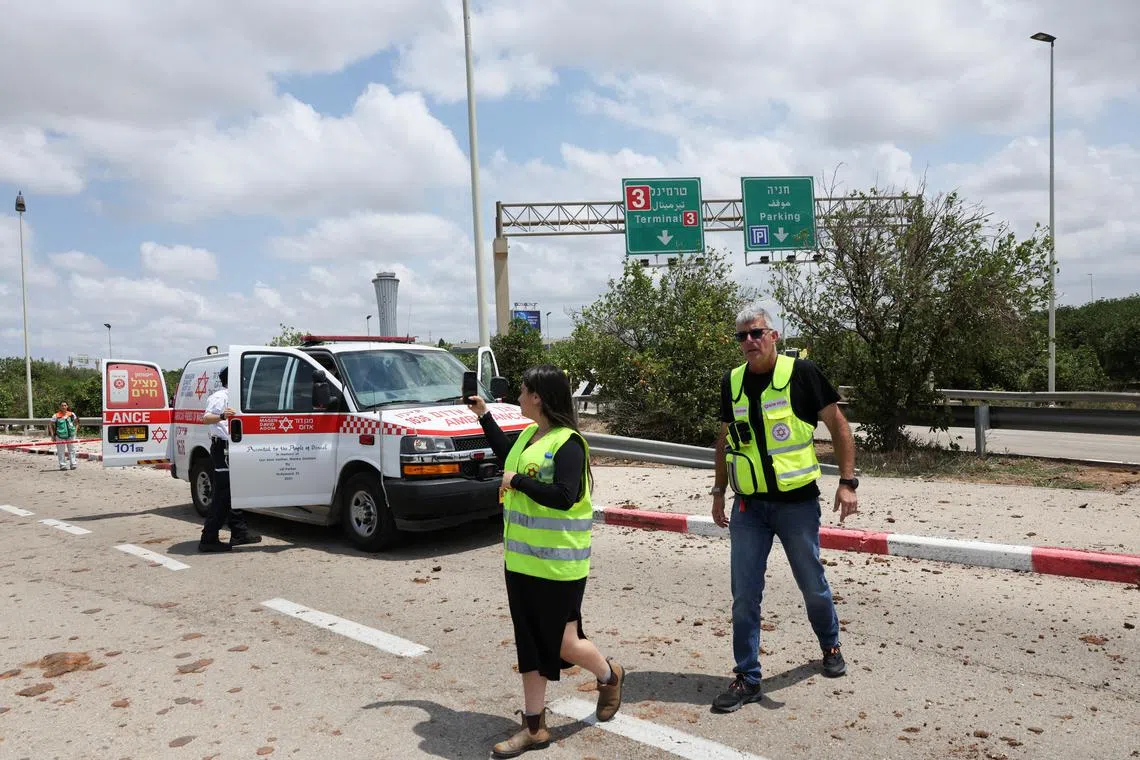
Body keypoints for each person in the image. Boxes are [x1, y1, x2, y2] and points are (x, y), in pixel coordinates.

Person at [468, 364, 624, 758]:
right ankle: (534, 727)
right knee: (530, 645)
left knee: (564, 644)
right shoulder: (527, 435)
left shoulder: (568, 442)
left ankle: (609, 674)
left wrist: (517, 482)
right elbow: (507, 457)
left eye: (523, 391)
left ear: (538, 397)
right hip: (520, 563)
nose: (518, 397)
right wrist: (483, 416)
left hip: (559, 566)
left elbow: (565, 495)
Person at [709, 304, 860, 713]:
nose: (749, 342)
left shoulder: (801, 374)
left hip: (796, 504)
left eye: (756, 333)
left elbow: (838, 425)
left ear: (774, 335)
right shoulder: (733, 382)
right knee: (744, 594)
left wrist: (847, 482)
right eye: (742, 336)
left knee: (811, 583)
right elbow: (725, 440)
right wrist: (719, 491)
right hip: (749, 507)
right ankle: (747, 677)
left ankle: (830, 645)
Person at [199, 366, 261, 553]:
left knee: (235, 492)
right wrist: (222, 415)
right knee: (224, 494)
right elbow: (206, 418)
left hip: (233, 447)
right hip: (223, 449)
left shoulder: (237, 397)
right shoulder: (220, 396)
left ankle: (239, 533)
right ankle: (208, 538)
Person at [51, 402, 79, 471]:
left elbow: (77, 422)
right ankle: (62, 465)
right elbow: (50, 424)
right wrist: (52, 435)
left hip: (70, 435)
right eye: (62, 405)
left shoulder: (71, 414)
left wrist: (75, 431)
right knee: (61, 451)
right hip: (60, 435)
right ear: (60, 407)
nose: (63, 407)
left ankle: (73, 464)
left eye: (65, 405)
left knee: (72, 449)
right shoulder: (56, 415)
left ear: (67, 406)